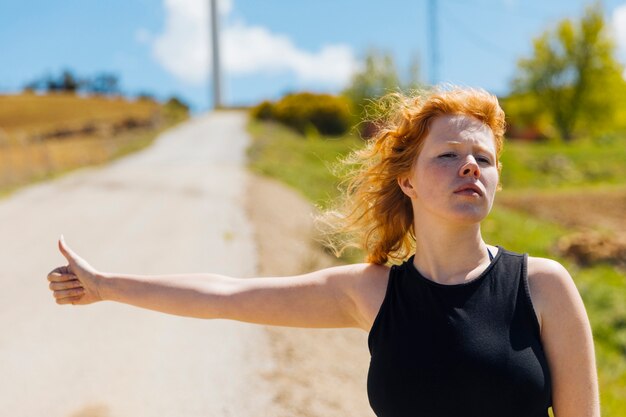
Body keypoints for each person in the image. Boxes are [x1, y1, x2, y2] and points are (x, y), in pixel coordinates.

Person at [47, 87, 599, 417]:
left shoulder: (543, 286)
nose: (471, 166)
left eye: (484, 156)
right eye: (448, 154)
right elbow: (227, 295)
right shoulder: (369, 292)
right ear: (406, 181)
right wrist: (107, 286)